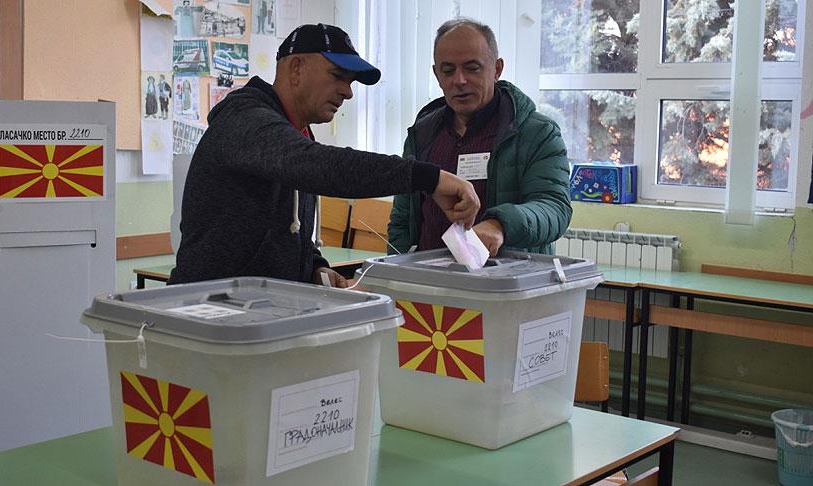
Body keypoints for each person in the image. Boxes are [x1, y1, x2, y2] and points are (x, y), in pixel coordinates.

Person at [170, 23, 479, 287]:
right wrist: (428, 177)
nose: (348, 91)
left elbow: (282, 227)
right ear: (296, 69)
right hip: (211, 316)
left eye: (351, 81)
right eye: (337, 76)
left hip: (260, 312)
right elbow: (322, 165)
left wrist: (315, 267)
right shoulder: (245, 120)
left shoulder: (296, 133)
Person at [388, 18, 572, 257]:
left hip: (505, 285)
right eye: (448, 70)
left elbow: (554, 208)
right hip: (428, 286)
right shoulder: (421, 134)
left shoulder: (537, 133)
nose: (460, 80)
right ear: (436, 74)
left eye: (472, 68)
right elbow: (403, 219)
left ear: (497, 69)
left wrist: (501, 224)